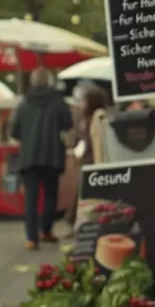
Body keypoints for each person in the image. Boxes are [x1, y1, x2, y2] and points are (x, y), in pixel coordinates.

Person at [10, 68, 73, 250]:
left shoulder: (24, 103)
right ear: (48, 81)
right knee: (51, 196)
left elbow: (14, 131)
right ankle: (46, 230)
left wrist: (28, 136)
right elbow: (67, 124)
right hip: (52, 155)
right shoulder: (58, 101)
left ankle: (31, 238)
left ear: (32, 81)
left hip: (29, 157)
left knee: (31, 198)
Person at [63, 84, 110, 232]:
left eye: (84, 101)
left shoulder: (99, 117)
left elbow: (96, 142)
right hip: (88, 161)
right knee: (83, 193)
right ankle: (75, 221)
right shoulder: (84, 118)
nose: (81, 104)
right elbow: (78, 137)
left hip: (93, 162)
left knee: (85, 193)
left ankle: (75, 222)